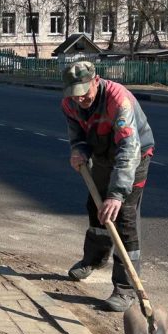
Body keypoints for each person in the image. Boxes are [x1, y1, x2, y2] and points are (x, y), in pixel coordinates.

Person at [61, 61, 155, 312]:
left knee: (122, 216)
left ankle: (125, 289)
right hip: (103, 154)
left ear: (96, 80)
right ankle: (94, 259)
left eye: (85, 92)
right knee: (96, 207)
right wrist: (78, 151)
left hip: (135, 156)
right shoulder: (70, 102)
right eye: (74, 93)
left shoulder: (118, 100)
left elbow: (129, 149)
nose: (80, 99)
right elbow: (77, 135)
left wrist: (116, 194)